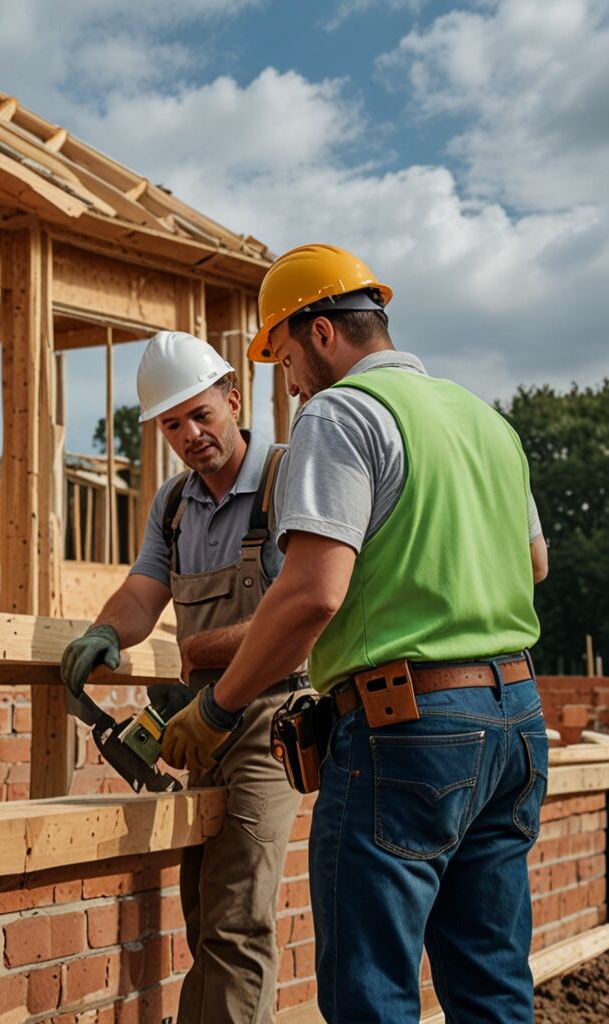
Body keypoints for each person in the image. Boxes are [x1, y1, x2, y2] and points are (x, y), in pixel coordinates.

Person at [160, 244, 549, 1024]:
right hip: (514, 723)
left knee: (370, 994)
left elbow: (310, 594)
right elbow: (534, 563)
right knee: (492, 985)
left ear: (324, 332)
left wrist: (218, 709)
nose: (291, 382)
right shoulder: (483, 418)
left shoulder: (340, 414)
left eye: (286, 360)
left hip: (407, 732)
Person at [60, 330, 306, 1024]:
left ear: (234, 399)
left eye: (202, 414)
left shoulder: (290, 479)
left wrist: (195, 654)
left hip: (272, 721)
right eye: (173, 424)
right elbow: (145, 590)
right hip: (204, 723)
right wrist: (106, 631)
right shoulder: (174, 503)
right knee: (202, 903)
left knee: (236, 915)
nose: (191, 434)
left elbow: (299, 618)